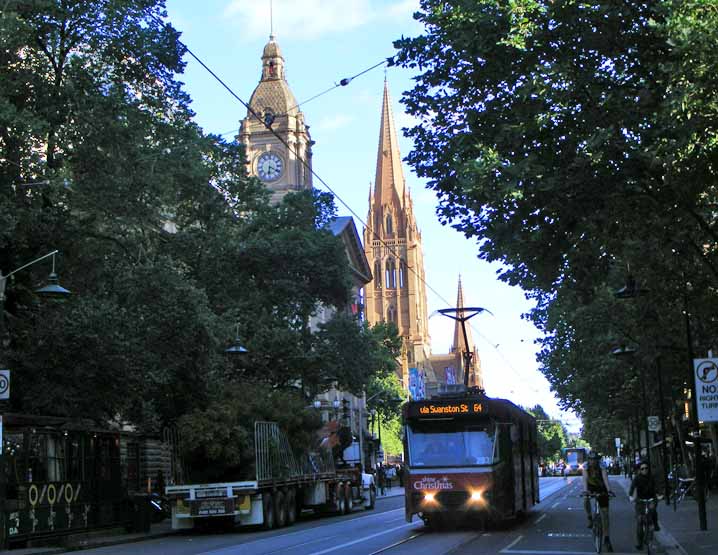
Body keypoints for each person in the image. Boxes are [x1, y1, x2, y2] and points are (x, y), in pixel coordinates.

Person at [582, 452, 614, 552]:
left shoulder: (602, 465)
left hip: (601, 487)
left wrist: (609, 490)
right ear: (588, 460)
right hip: (590, 486)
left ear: (597, 460)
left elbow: (605, 478)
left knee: (605, 514)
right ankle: (589, 517)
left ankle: (607, 538)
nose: (593, 461)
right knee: (585, 499)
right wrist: (585, 490)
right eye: (591, 459)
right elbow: (585, 479)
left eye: (595, 459)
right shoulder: (585, 466)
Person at [628, 461, 661, 550]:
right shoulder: (637, 479)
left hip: (651, 499)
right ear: (640, 470)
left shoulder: (652, 478)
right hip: (640, 501)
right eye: (642, 468)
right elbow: (632, 489)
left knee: (652, 509)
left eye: (646, 468)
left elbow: (657, 487)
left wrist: (658, 494)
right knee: (639, 521)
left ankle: (655, 523)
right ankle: (640, 543)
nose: (645, 470)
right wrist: (631, 497)